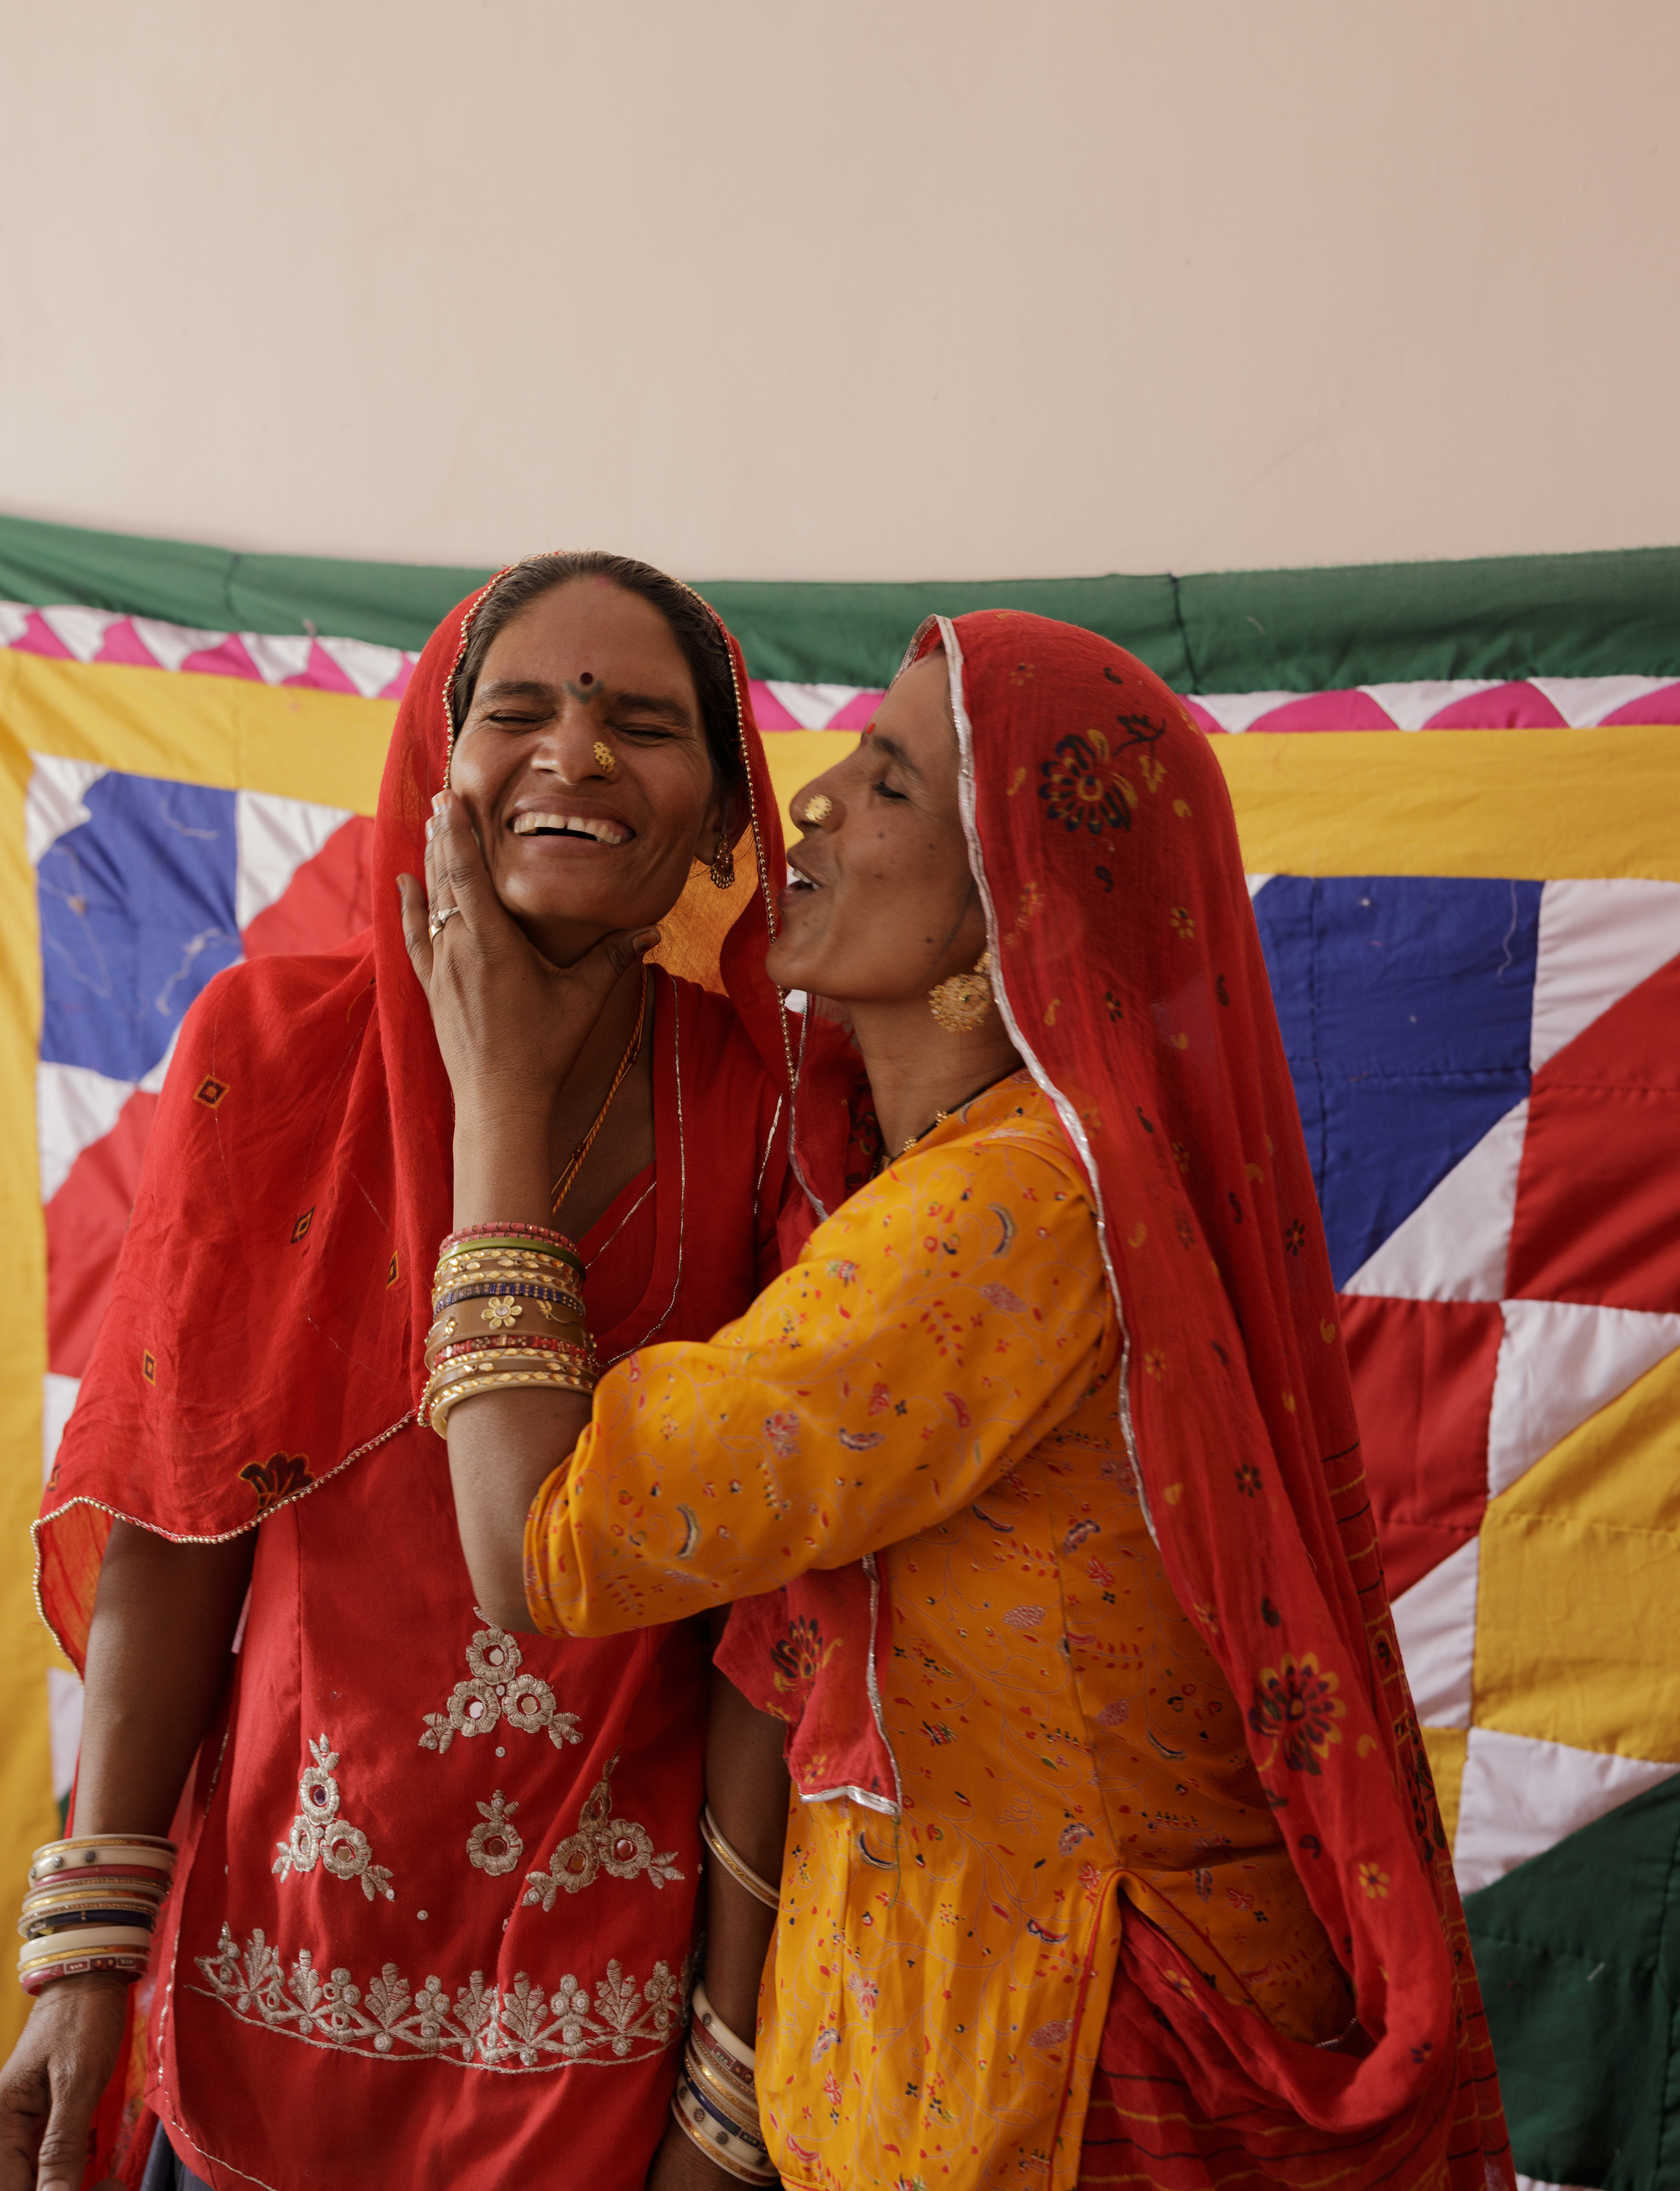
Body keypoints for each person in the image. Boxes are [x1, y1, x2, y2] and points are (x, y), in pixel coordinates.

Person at [432, 609, 1514, 2189]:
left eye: (884, 786)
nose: (808, 805)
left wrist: (499, 1099)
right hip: (971, 2019)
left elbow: (542, 1542)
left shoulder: (994, 1218)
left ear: (1005, 907)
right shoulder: (963, 1183)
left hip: (1071, 2064)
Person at [4, 554, 801, 2191]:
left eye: (640, 722)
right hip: (275, 1955)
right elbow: (175, 1524)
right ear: (437, 782)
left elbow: (779, 1630)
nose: (572, 751)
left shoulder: (779, 1109)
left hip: (611, 2007)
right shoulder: (276, 1054)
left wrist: (730, 2069)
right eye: (516, 710)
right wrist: (87, 1949)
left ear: (727, 823)